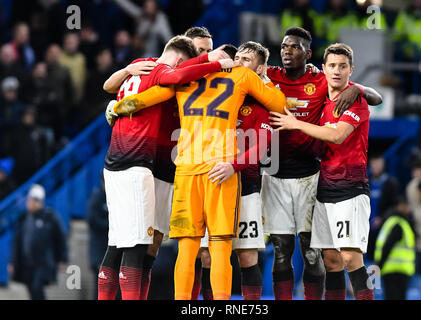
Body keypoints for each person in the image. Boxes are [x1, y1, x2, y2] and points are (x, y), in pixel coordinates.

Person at [112, 45, 288, 300]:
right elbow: (279, 104)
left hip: (185, 171)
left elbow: (143, 99)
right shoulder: (242, 75)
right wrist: (262, 77)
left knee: (186, 249)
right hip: (221, 171)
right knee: (220, 248)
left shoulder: (185, 78)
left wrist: (116, 108)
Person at [98, 35, 235, 300]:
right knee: (137, 243)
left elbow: (111, 87)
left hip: (152, 167)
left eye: (207, 50)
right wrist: (212, 61)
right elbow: (166, 80)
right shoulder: (161, 70)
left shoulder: (151, 66)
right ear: (184, 56)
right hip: (141, 165)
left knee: (132, 243)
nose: (204, 54)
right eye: (200, 51)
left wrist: (123, 91)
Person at [262, 27, 382, 300]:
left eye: (343, 67)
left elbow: (338, 135)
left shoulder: (352, 98)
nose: (337, 71)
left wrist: (358, 88)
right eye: (332, 66)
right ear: (324, 69)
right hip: (321, 187)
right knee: (330, 259)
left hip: (345, 187)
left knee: (349, 258)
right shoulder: (315, 94)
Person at [196, 41, 273, 300]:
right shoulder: (217, 92)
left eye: (247, 60)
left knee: (247, 255)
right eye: (237, 57)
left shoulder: (262, 100)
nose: (239, 62)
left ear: (260, 68)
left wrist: (234, 166)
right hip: (213, 182)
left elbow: (261, 148)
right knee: (208, 254)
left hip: (246, 184)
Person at [9, 184, 68, 300]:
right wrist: (13, 261)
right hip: (27, 263)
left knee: (37, 289)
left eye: (31, 200)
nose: (28, 203)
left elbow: (60, 239)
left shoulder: (50, 217)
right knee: (31, 289)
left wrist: (62, 258)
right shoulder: (25, 219)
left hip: (42, 263)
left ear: (38, 202)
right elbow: (17, 242)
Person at [374, 196, 416, 300]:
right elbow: (388, 246)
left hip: (393, 270)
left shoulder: (391, 221)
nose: (408, 209)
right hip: (397, 270)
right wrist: (380, 265)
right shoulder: (399, 224)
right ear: (399, 206)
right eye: (405, 206)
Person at [367, 154, 400, 261]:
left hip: (383, 229)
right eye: (374, 163)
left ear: (383, 164)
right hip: (365, 230)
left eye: (378, 163)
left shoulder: (391, 183)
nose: (376, 166)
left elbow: (394, 206)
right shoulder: (365, 182)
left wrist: (382, 218)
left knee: (379, 261)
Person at [87, 173, 109, 300]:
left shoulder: (116, 198)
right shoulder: (96, 198)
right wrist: (112, 225)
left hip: (112, 253)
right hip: (99, 254)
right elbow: (93, 220)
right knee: (101, 287)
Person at [59, 32, 87, 104]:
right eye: (69, 43)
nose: (71, 45)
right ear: (64, 43)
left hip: (80, 99)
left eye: (73, 43)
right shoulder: (59, 57)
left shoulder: (81, 58)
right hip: (63, 100)